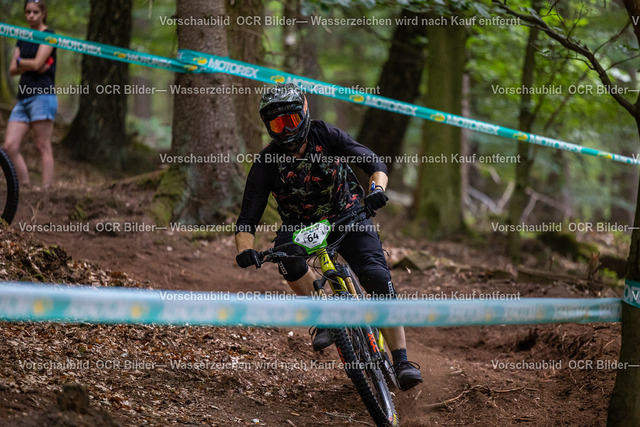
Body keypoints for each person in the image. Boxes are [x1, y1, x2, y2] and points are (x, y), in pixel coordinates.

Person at [235, 83, 423, 391]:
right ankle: (323, 314)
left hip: (348, 214)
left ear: (304, 113)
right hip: (300, 226)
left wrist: (377, 190)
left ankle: (402, 361)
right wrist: (245, 250)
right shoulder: (266, 162)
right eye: (277, 124)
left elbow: (373, 162)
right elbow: (247, 218)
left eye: (291, 121)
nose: (286, 130)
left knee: (376, 276)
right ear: (268, 127)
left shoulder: (325, 135)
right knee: (288, 261)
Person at [4, 0, 57, 189]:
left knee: (42, 145)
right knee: (10, 146)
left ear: (43, 13)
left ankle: (46, 189)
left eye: (35, 12)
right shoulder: (23, 37)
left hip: (42, 95)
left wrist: (22, 62)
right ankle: (25, 185)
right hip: (23, 97)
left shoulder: (49, 36)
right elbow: (13, 69)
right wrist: (29, 64)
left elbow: (37, 63)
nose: (31, 16)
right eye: (28, 12)